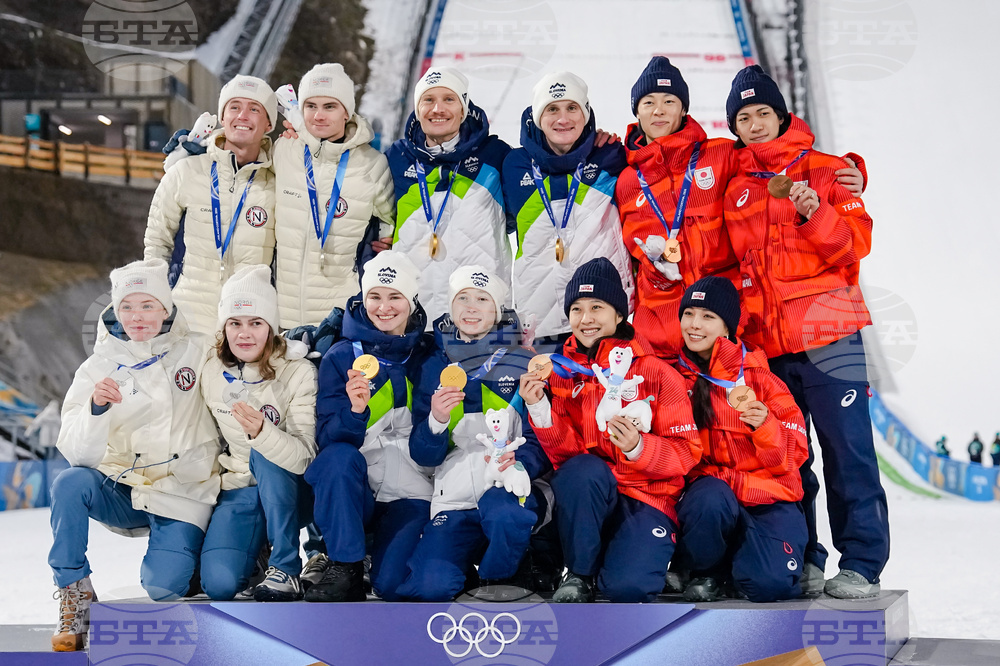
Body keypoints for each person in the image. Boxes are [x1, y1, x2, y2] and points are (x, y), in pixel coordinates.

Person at [723, 65, 888, 599]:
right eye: (743, 118)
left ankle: (862, 559)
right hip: (768, 345)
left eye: (762, 113)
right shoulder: (737, 188)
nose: (754, 125)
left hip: (829, 336)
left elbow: (853, 248)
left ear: (782, 114)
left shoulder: (829, 171)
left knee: (849, 453)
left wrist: (814, 213)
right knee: (790, 455)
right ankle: (807, 554)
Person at [617, 57, 867, 355]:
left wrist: (849, 171)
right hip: (661, 327)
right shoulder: (626, 179)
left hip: (725, 323)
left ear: (683, 109)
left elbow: (776, 162)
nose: (659, 110)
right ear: (636, 110)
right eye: (648, 102)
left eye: (669, 100)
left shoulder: (721, 154)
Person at [48, 259, 219, 651]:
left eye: (147, 305)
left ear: (166, 309)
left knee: (164, 586)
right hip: (123, 489)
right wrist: (96, 411)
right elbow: (76, 453)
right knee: (69, 483)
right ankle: (74, 591)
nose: (137, 316)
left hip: (181, 491)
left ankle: (195, 556)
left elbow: (245, 364)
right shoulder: (97, 368)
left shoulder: (199, 349)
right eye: (127, 306)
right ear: (115, 310)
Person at [518, 258, 702, 603]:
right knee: (580, 471)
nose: (586, 319)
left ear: (619, 315)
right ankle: (580, 573)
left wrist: (639, 447)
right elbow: (566, 460)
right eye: (576, 308)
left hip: (647, 497)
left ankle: (630, 558)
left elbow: (686, 454)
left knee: (626, 588)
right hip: (591, 498)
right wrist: (539, 409)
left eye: (597, 307)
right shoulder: (561, 373)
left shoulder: (657, 372)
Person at [397, 266, 551, 601]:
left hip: (507, 489)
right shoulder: (431, 365)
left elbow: (542, 438)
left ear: (496, 311)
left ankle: (499, 578)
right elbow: (424, 456)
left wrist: (521, 464)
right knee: (429, 587)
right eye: (462, 298)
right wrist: (436, 420)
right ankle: (466, 566)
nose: (471, 307)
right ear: (450, 307)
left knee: (506, 517)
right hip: (453, 500)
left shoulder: (523, 362)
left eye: (482, 299)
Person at [304, 251, 433, 601]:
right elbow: (328, 438)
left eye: (395, 297)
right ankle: (345, 564)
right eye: (374, 296)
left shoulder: (428, 354)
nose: (384, 307)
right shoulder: (342, 356)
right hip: (359, 492)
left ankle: (382, 558)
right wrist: (356, 411)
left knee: (391, 585)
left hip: (411, 491)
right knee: (336, 459)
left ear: (412, 301)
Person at [671, 277, 808, 602]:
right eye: (688, 313)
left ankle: (739, 563)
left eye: (707, 317)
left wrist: (766, 427)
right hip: (712, 498)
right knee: (709, 499)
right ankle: (707, 570)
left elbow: (792, 458)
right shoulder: (672, 379)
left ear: (728, 327)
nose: (694, 325)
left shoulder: (763, 379)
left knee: (770, 585)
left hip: (767, 498)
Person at [198, 266, 317, 601]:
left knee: (264, 454)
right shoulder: (210, 369)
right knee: (219, 585)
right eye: (235, 323)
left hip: (294, 491)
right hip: (242, 488)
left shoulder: (299, 372)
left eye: (256, 323)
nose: (244, 334)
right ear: (223, 328)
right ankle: (256, 550)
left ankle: (286, 567)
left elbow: (307, 457)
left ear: (272, 327)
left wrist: (263, 432)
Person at [501, 71, 633, 349]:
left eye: (572, 107)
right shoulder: (514, 166)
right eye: (552, 109)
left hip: (605, 314)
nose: (563, 118)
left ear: (585, 113)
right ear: (538, 116)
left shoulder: (611, 156)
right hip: (540, 315)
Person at [145, 75, 277, 336]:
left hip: (249, 320)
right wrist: (156, 298)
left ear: (269, 123)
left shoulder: (278, 181)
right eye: (234, 107)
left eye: (254, 109)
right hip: (188, 316)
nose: (243, 115)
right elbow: (157, 241)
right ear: (222, 116)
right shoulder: (186, 170)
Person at [273, 63, 396, 328]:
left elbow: (390, 222)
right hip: (281, 316)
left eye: (329, 106)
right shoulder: (284, 149)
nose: (319, 115)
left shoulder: (372, 165)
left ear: (346, 113)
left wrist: (386, 242)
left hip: (341, 318)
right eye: (311, 106)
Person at [386, 67, 512, 326]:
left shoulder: (495, 155)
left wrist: (597, 143)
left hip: (479, 313)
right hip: (413, 314)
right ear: (417, 108)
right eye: (428, 100)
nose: (438, 109)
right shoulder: (396, 158)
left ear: (464, 108)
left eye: (449, 99)